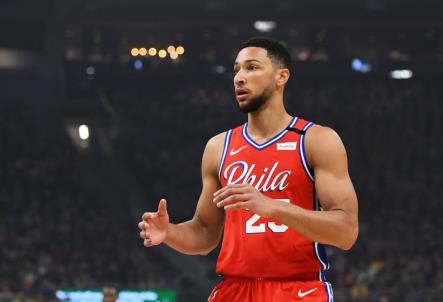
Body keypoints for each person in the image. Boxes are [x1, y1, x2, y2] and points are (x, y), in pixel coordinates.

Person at [138, 37, 358, 301]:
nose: (239, 78)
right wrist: (169, 232)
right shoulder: (219, 147)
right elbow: (205, 233)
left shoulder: (316, 139)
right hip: (234, 290)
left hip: (297, 289)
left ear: (281, 77)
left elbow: (346, 232)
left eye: (252, 67)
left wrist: (273, 207)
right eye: (236, 69)